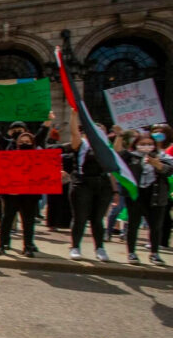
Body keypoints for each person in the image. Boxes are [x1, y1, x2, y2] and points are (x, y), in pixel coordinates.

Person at [114, 130, 172, 265]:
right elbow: (116, 156)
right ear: (136, 144)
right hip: (136, 195)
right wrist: (120, 135)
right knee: (133, 224)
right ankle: (131, 253)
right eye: (143, 144)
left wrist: (157, 164)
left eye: (149, 144)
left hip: (156, 196)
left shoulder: (161, 156)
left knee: (155, 226)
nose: (146, 146)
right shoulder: (131, 156)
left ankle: (154, 253)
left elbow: (169, 170)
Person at [63, 109, 113, 261]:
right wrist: (73, 116)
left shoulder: (107, 147)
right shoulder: (81, 144)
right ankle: (75, 247)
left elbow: (117, 158)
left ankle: (99, 248)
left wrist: (121, 135)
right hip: (82, 184)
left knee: (98, 219)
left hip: (102, 185)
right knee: (80, 218)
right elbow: (74, 133)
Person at [0, 130, 44, 258]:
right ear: (17, 143)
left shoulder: (38, 158)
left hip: (29, 195)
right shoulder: (11, 155)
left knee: (28, 221)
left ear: (32, 143)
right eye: (21, 141)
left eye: (27, 142)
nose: (24, 143)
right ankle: (2, 245)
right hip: (12, 194)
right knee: (7, 220)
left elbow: (42, 174)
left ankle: (27, 247)